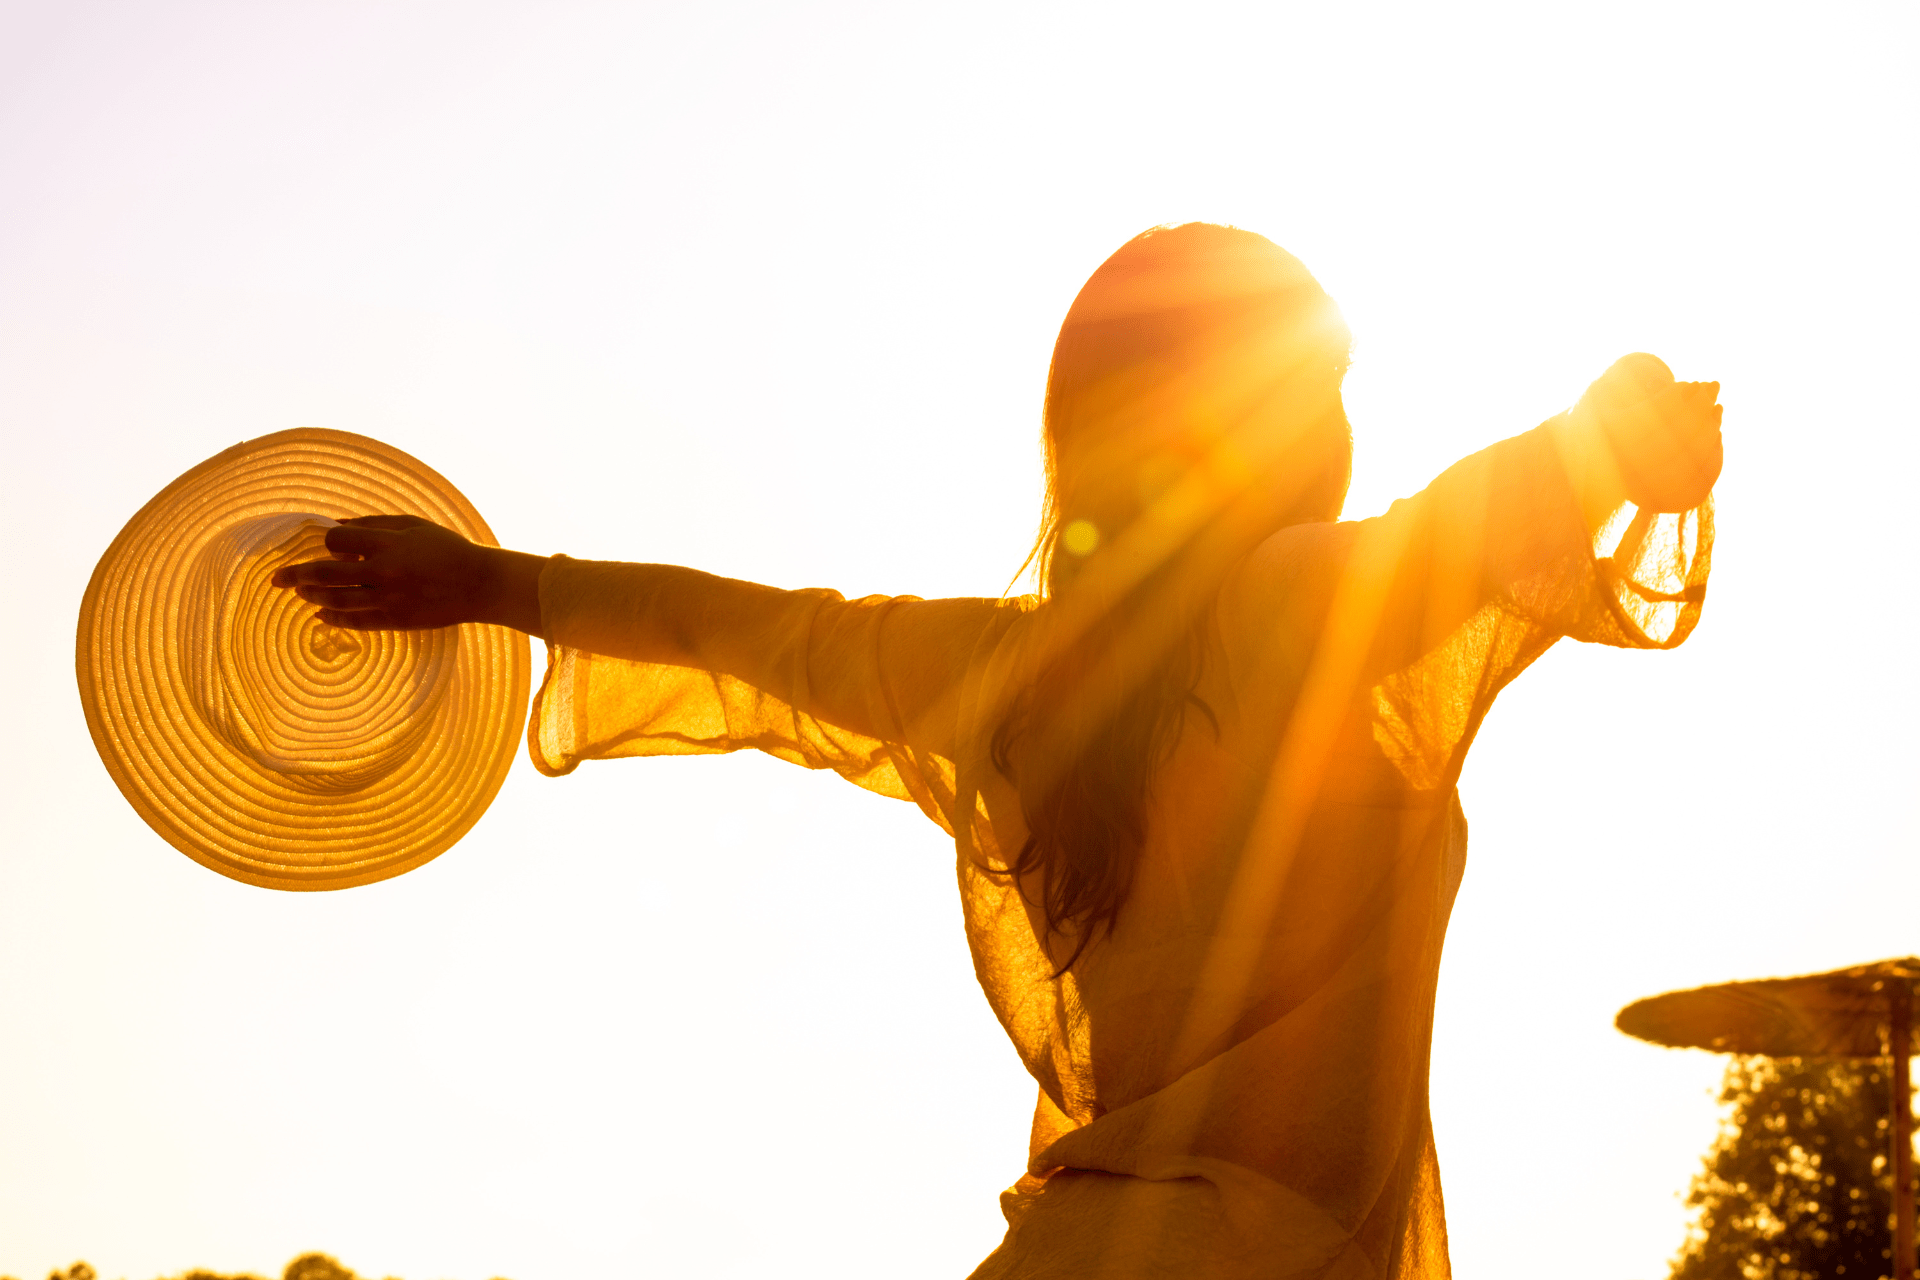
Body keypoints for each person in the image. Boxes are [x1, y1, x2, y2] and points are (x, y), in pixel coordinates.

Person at [274, 223, 1722, 1279]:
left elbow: (750, 637)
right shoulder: (1304, 607)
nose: (1346, 422)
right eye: (1326, 385)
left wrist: (498, 584)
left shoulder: (1001, 676)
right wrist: (1614, 435)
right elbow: (1473, 520)